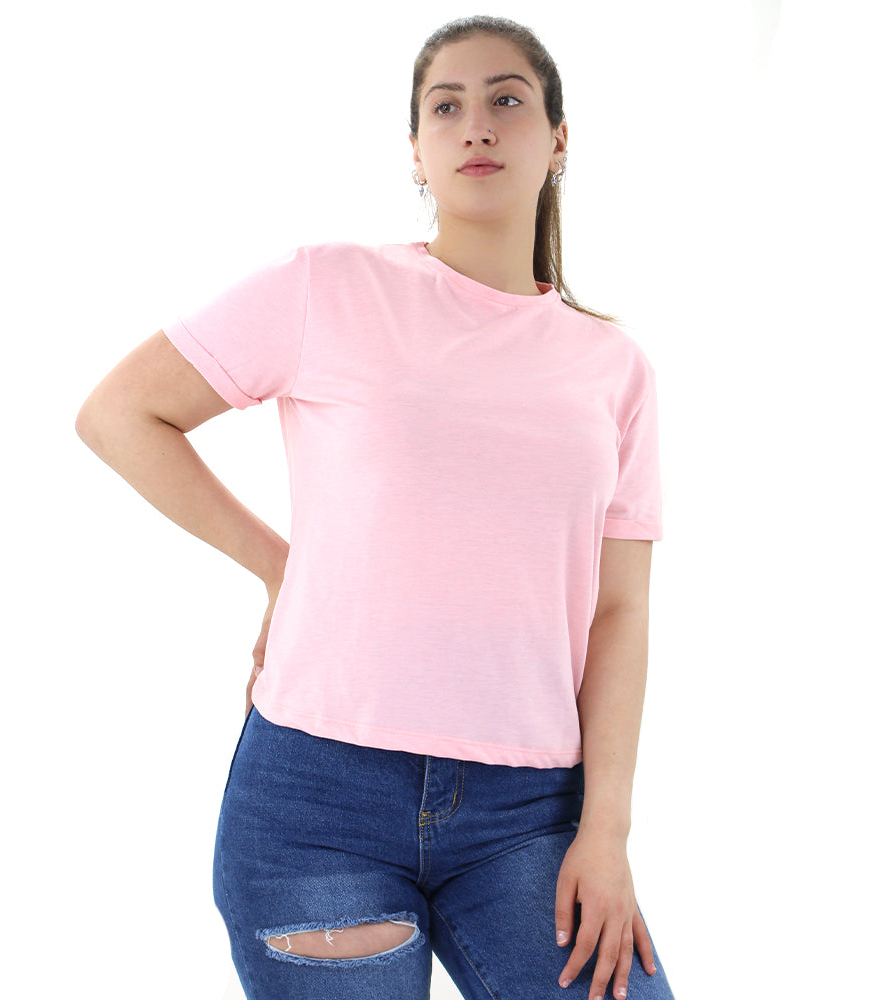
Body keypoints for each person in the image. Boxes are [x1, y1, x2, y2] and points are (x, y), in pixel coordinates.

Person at [76, 15, 676, 1000]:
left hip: (530, 814)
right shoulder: (328, 285)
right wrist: (281, 566)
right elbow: (120, 415)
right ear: (416, 149)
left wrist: (605, 829)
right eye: (446, 107)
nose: (476, 125)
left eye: (507, 99)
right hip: (318, 802)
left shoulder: (615, 368)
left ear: (558, 139)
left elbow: (619, 611)